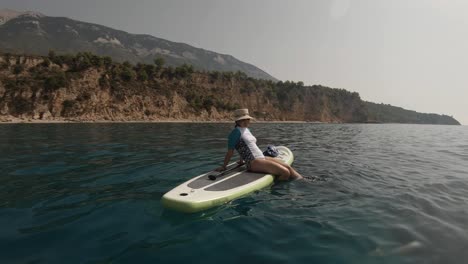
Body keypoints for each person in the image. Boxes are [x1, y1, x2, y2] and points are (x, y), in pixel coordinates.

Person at [216, 109, 302, 180]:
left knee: (288, 167)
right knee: (285, 172)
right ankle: (278, 191)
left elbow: (244, 146)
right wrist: (224, 166)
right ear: (237, 121)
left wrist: (241, 160)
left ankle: (303, 180)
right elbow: (230, 151)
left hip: (261, 157)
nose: (246, 121)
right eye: (242, 120)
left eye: (247, 119)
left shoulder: (246, 130)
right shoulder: (235, 133)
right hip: (253, 162)